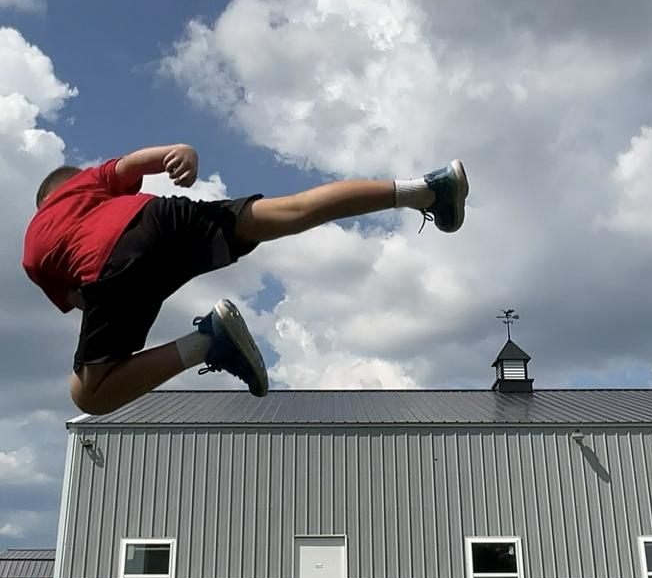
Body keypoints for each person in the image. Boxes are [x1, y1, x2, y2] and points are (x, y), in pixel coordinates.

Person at [23, 143, 468, 415]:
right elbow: (134, 164)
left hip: (110, 269)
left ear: (43, 202)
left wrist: (123, 318)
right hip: (165, 219)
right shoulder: (90, 181)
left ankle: (207, 342)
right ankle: (428, 189)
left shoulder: (33, 243)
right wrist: (181, 151)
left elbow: (81, 300)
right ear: (74, 183)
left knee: (90, 395)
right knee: (293, 209)